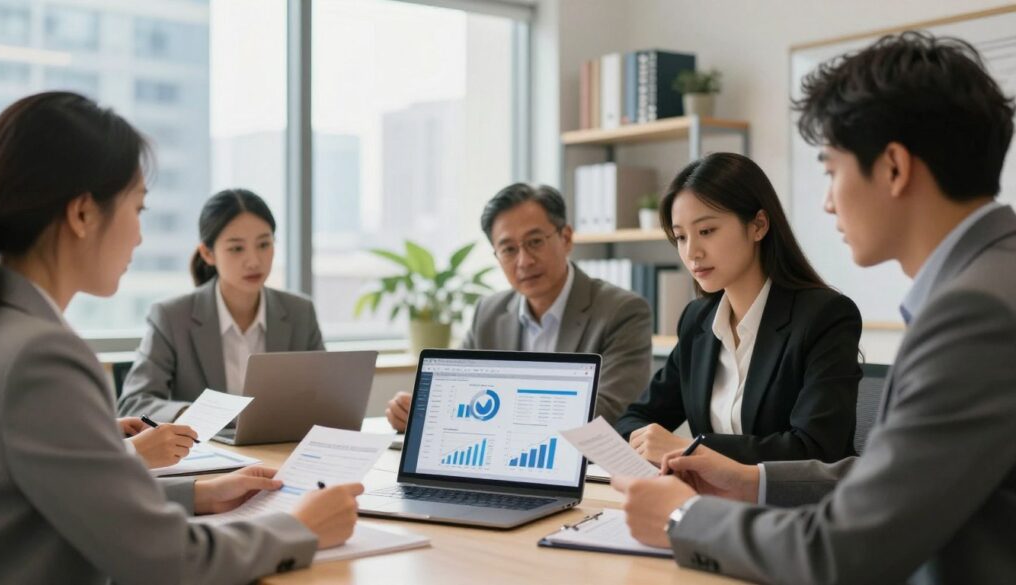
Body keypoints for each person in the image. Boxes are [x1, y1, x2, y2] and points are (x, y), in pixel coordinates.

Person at [615, 31, 1016, 584]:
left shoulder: (977, 312)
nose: (827, 200)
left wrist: (683, 518)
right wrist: (751, 481)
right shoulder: (990, 283)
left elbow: (844, 550)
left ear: (894, 168)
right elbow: (889, 479)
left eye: (831, 170)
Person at [0, 91, 362, 584]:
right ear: (83, 215)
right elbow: (162, 558)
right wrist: (298, 528)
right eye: (139, 209)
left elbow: (71, 500)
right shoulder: (42, 356)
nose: (140, 237)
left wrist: (199, 493)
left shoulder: (9, 330)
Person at [615, 153, 861, 465]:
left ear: (758, 225)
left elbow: (815, 449)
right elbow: (633, 419)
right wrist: (649, 440)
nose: (692, 252)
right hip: (711, 502)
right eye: (680, 236)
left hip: (793, 508)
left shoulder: (824, 317)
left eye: (706, 231)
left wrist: (691, 450)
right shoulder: (697, 321)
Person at [386, 183, 653, 430]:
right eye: (509, 249)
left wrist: (489, 411)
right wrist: (416, 411)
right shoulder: (488, 313)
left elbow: (608, 413)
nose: (524, 261)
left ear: (566, 238)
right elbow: (455, 394)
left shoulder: (623, 312)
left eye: (535, 242)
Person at [117, 188, 324, 420]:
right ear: (208, 253)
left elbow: (326, 397)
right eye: (236, 248)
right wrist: (193, 415)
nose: (254, 261)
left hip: (280, 453)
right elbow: (134, 403)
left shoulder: (300, 313)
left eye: (264, 245)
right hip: (206, 453)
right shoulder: (172, 317)